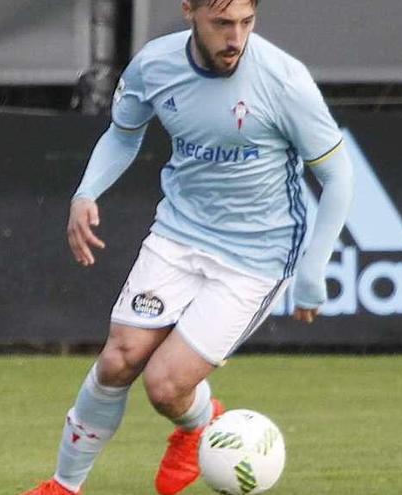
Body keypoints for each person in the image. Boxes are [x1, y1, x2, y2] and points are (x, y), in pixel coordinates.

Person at [21, 0, 353, 494]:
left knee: (165, 386)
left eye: (246, 22)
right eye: (222, 23)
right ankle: (63, 487)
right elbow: (122, 135)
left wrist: (313, 266)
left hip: (256, 258)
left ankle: (198, 423)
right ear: (189, 13)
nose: (235, 38)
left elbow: (337, 175)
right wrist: (86, 192)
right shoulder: (155, 65)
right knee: (118, 359)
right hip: (179, 235)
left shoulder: (284, 80)